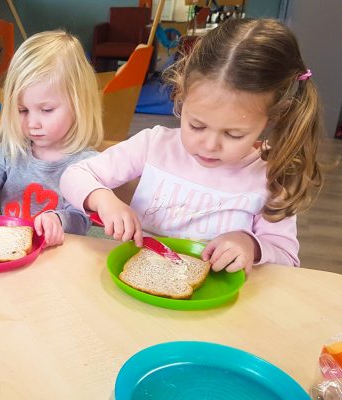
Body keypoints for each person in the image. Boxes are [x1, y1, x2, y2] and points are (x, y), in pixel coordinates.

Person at [60, 18, 324, 273]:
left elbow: (287, 259)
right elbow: (75, 174)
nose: (209, 145)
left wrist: (251, 245)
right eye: (197, 125)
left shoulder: (270, 176)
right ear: (181, 95)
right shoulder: (154, 145)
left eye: (233, 134)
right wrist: (105, 200)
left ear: (271, 119)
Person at [0, 30, 103, 247]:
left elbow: (82, 219)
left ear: (78, 105)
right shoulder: (12, 149)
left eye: (46, 110)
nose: (32, 123)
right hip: (10, 248)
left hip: (58, 257)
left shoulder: (86, 163)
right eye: (23, 110)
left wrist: (58, 219)